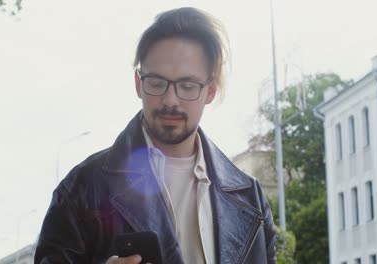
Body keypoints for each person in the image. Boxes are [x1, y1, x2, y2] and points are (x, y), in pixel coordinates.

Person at [34, 7, 276, 264]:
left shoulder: (249, 197)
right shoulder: (82, 189)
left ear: (210, 91)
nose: (170, 100)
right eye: (157, 83)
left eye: (187, 86)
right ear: (139, 84)